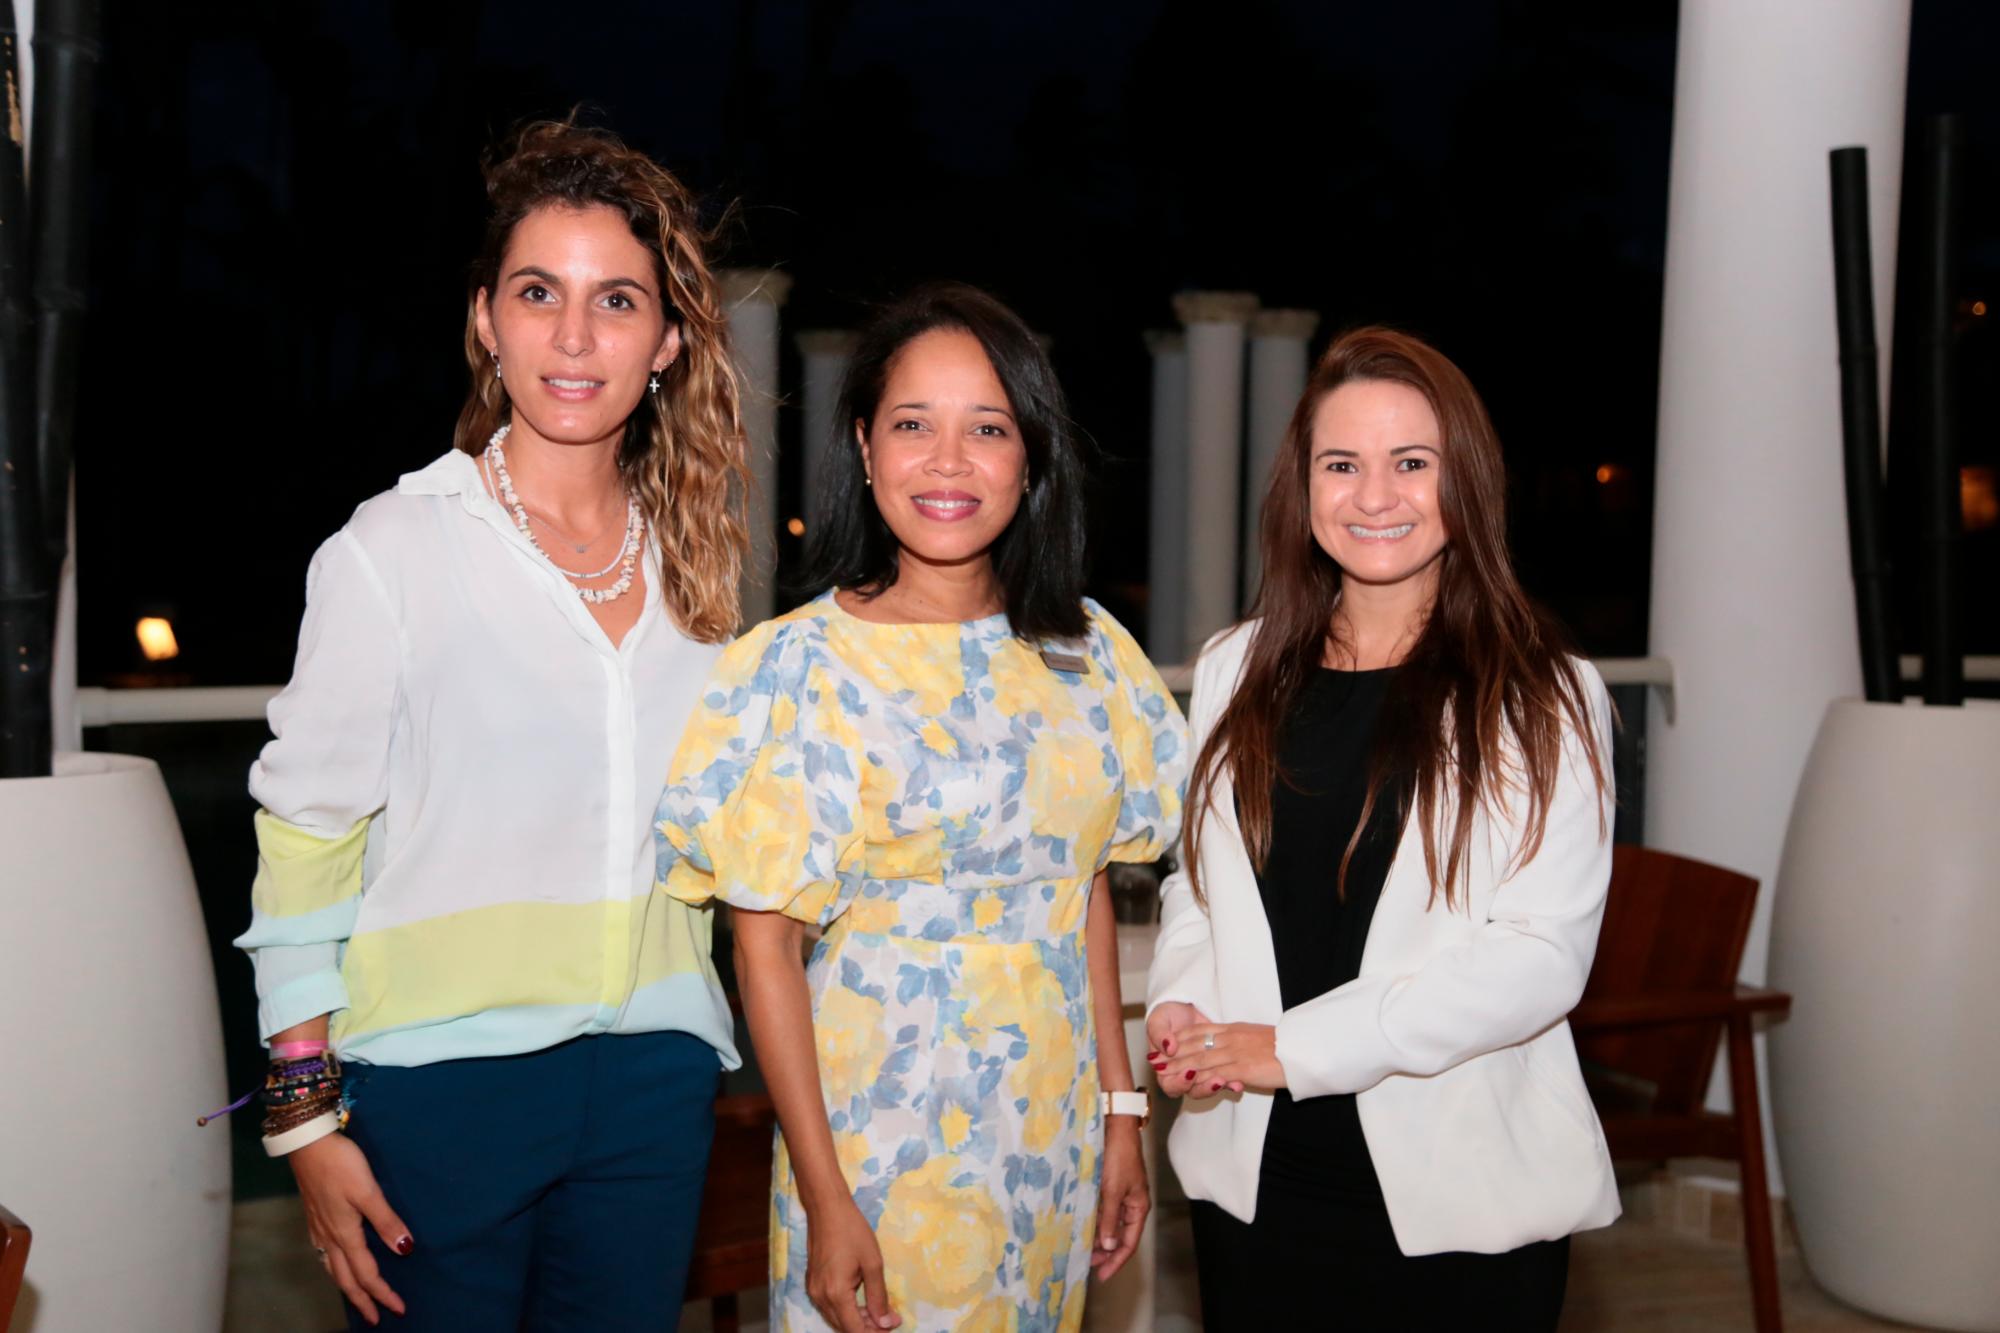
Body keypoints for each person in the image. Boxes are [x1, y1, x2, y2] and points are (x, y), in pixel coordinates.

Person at [233, 119, 749, 1330]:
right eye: (538, 293)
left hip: (654, 1081)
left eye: (615, 300)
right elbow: (304, 833)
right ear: (485, 320)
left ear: (667, 340)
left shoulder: (704, 574)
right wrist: (304, 1110)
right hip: (435, 1090)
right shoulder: (391, 552)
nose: (574, 337)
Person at [655, 282, 1186, 1333]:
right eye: (912, 425)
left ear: (1028, 458)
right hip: (874, 1145)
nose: (948, 462)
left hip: (1048, 1138)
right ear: (862, 446)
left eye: (986, 429)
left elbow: (1074, 890)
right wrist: (824, 1197)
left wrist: (1121, 1116)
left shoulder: (1086, 657)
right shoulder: (795, 668)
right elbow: (765, 951)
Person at [1146, 326, 1619, 1329]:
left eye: (1411, 462)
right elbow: (1197, 882)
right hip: (1254, 1180)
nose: (1373, 495)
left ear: (1466, 481)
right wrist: (1183, 1007)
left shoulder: (1543, 693)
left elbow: (1536, 958)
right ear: (1301, 484)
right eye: (1340, 464)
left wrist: (1290, 1047)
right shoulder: (1234, 668)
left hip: (1459, 1198)